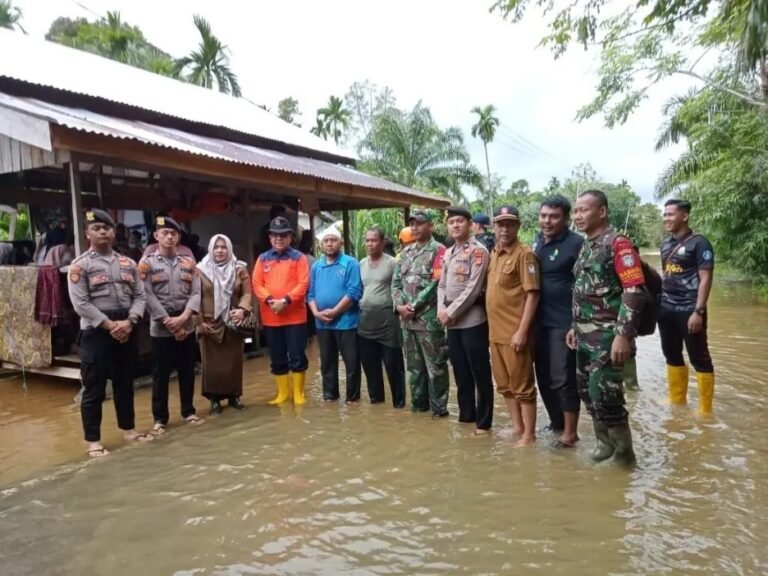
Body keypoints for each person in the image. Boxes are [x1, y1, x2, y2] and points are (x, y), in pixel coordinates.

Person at [566, 190, 645, 467]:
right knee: (588, 392)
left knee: (607, 395)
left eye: (583, 210)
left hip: (609, 337)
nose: (577, 216)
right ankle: (604, 444)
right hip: (584, 336)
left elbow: (634, 291)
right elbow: (583, 290)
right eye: (575, 211)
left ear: (602, 212)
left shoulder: (619, 245)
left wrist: (623, 335)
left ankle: (625, 456)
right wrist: (574, 326)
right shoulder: (586, 245)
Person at [68, 209, 153, 457]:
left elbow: (140, 295)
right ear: (88, 234)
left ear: (114, 232)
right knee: (93, 388)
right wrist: (110, 325)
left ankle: (129, 429)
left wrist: (131, 321)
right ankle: (93, 441)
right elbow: (80, 304)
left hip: (127, 326)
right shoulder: (80, 265)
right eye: (97, 228)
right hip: (96, 331)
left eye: (107, 228)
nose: (103, 232)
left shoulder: (128, 263)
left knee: (125, 384)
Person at [139, 215, 204, 435]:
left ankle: (188, 411)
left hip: (186, 324)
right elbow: (146, 294)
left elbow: (196, 292)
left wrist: (185, 317)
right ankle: (160, 419)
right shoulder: (147, 264)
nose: (169, 236)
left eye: (173, 233)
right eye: (164, 233)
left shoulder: (189, 263)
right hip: (160, 327)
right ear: (156, 236)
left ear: (178, 237)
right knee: (161, 374)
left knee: (188, 370)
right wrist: (167, 320)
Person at [531, 195, 584, 447]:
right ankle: (556, 423)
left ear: (566, 218)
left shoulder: (577, 244)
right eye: (543, 216)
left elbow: (584, 287)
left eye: (553, 217)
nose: (547, 221)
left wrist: (575, 323)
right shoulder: (537, 241)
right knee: (543, 376)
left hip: (563, 322)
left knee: (563, 377)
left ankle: (571, 434)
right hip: (538, 321)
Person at [486, 206, 540, 446]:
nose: (504, 229)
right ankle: (517, 426)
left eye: (509, 224)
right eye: (500, 224)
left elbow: (533, 294)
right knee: (504, 385)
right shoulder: (494, 253)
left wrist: (522, 331)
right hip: (495, 333)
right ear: (494, 227)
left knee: (523, 386)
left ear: (518, 226)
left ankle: (529, 434)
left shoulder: (525, 255)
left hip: (514, 333)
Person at [438, 206, 493, 435]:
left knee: (479, 372)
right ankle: (466, 415)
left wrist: (451, 312)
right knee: (460, 372)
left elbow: (473, 288)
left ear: (470, 225)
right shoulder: (449, 252)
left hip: (472, 320)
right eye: (452, 222)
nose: (455, 226)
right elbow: (441, 285)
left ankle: (484, 422)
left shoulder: (478, 251)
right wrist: (442, 308)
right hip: (451, 323)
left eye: (460, 221)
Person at [659, 199, 715, 413]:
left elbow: (706, 278)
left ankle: (705, 410)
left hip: (690, 310)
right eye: (664, 215)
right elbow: (666, 276)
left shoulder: (699, 243)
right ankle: (677, 401)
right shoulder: (665, 244)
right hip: (666, 309)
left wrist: (698, 311)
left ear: (684, 216)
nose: (666, 219)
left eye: (670, 214)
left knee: (699, 357)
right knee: (671, 354)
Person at [392, 210, 449, 418]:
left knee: (436, 369)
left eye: (419, 224)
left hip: (429, 321)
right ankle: (418, 408)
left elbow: (437, 283)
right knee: (414, 370)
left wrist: (413, 306)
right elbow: (396, 282)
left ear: (430, 226)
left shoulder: (440, 251)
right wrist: (399, 306)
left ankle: (439, 411)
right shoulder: (406, 253)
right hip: (407, 323)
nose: (415, 228)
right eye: (412, 224)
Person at [252, 216, 310, 405]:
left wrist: (285, 300)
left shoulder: (299, 258)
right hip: (271, 318)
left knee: (297, 355)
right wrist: (270, 300)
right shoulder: (262, 259)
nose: (279, 238)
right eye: (275, 235)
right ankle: (283, 393)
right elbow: (256, 284)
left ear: (290, 237)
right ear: (269, 238)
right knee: (277, 356)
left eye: (283, 235)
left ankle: (299, 393)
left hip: (295, 317)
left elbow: (303, 284)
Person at [196, 234, 253, 415]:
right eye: (216, 247)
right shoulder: (199, 270)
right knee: (211, 365)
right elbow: (195, 298)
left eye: (224, 247)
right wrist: (199, 323)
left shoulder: (239, 269)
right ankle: (214, 400)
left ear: (229, 249)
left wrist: (242, 310)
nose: (220, 250)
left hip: (232, 323)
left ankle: (234, 396)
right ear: (210, 249)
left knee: (234, 362)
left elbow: (247, 294)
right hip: (209, 323)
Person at [308, 228, 363, 402]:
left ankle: (352, 400)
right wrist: (316, 313)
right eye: (326, 240)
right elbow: (310, 294)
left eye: (333, 240)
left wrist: (335, 311)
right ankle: (329, 398)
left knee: (352, 364)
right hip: (323, 324)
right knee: (327, 364)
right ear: (321, 244)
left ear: (341, 243)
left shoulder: (350, 263)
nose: (330, 243)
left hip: (347, 322)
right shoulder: (316, 266)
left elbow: (354, 291)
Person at [358, 226, 406, 407]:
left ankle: (399, 405)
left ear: (382, 242)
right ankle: (376, 405)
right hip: (365, 325)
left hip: (388, 325)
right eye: (367, 240)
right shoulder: (361, 264)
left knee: (394, 368)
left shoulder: (392, 263)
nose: (370, 244)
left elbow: (400, 289)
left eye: (374, 240)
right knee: (371, 371)